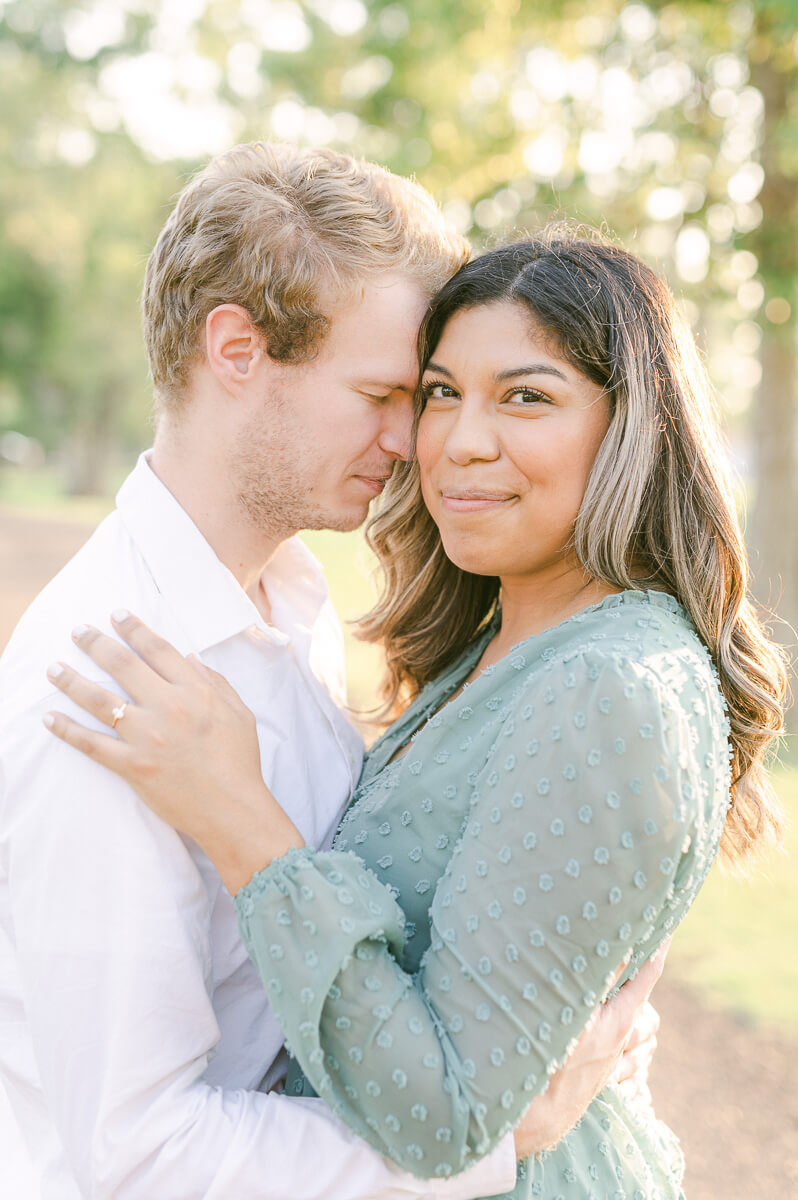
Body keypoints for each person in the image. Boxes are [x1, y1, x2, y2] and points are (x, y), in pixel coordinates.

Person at [44, 230, 787, 1199]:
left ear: (632, 428)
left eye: (527, 396)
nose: (457, 441)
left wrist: (241, 822)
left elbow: (441, 1117)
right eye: (440, 393)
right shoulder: (505, 647)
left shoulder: (612, 686)